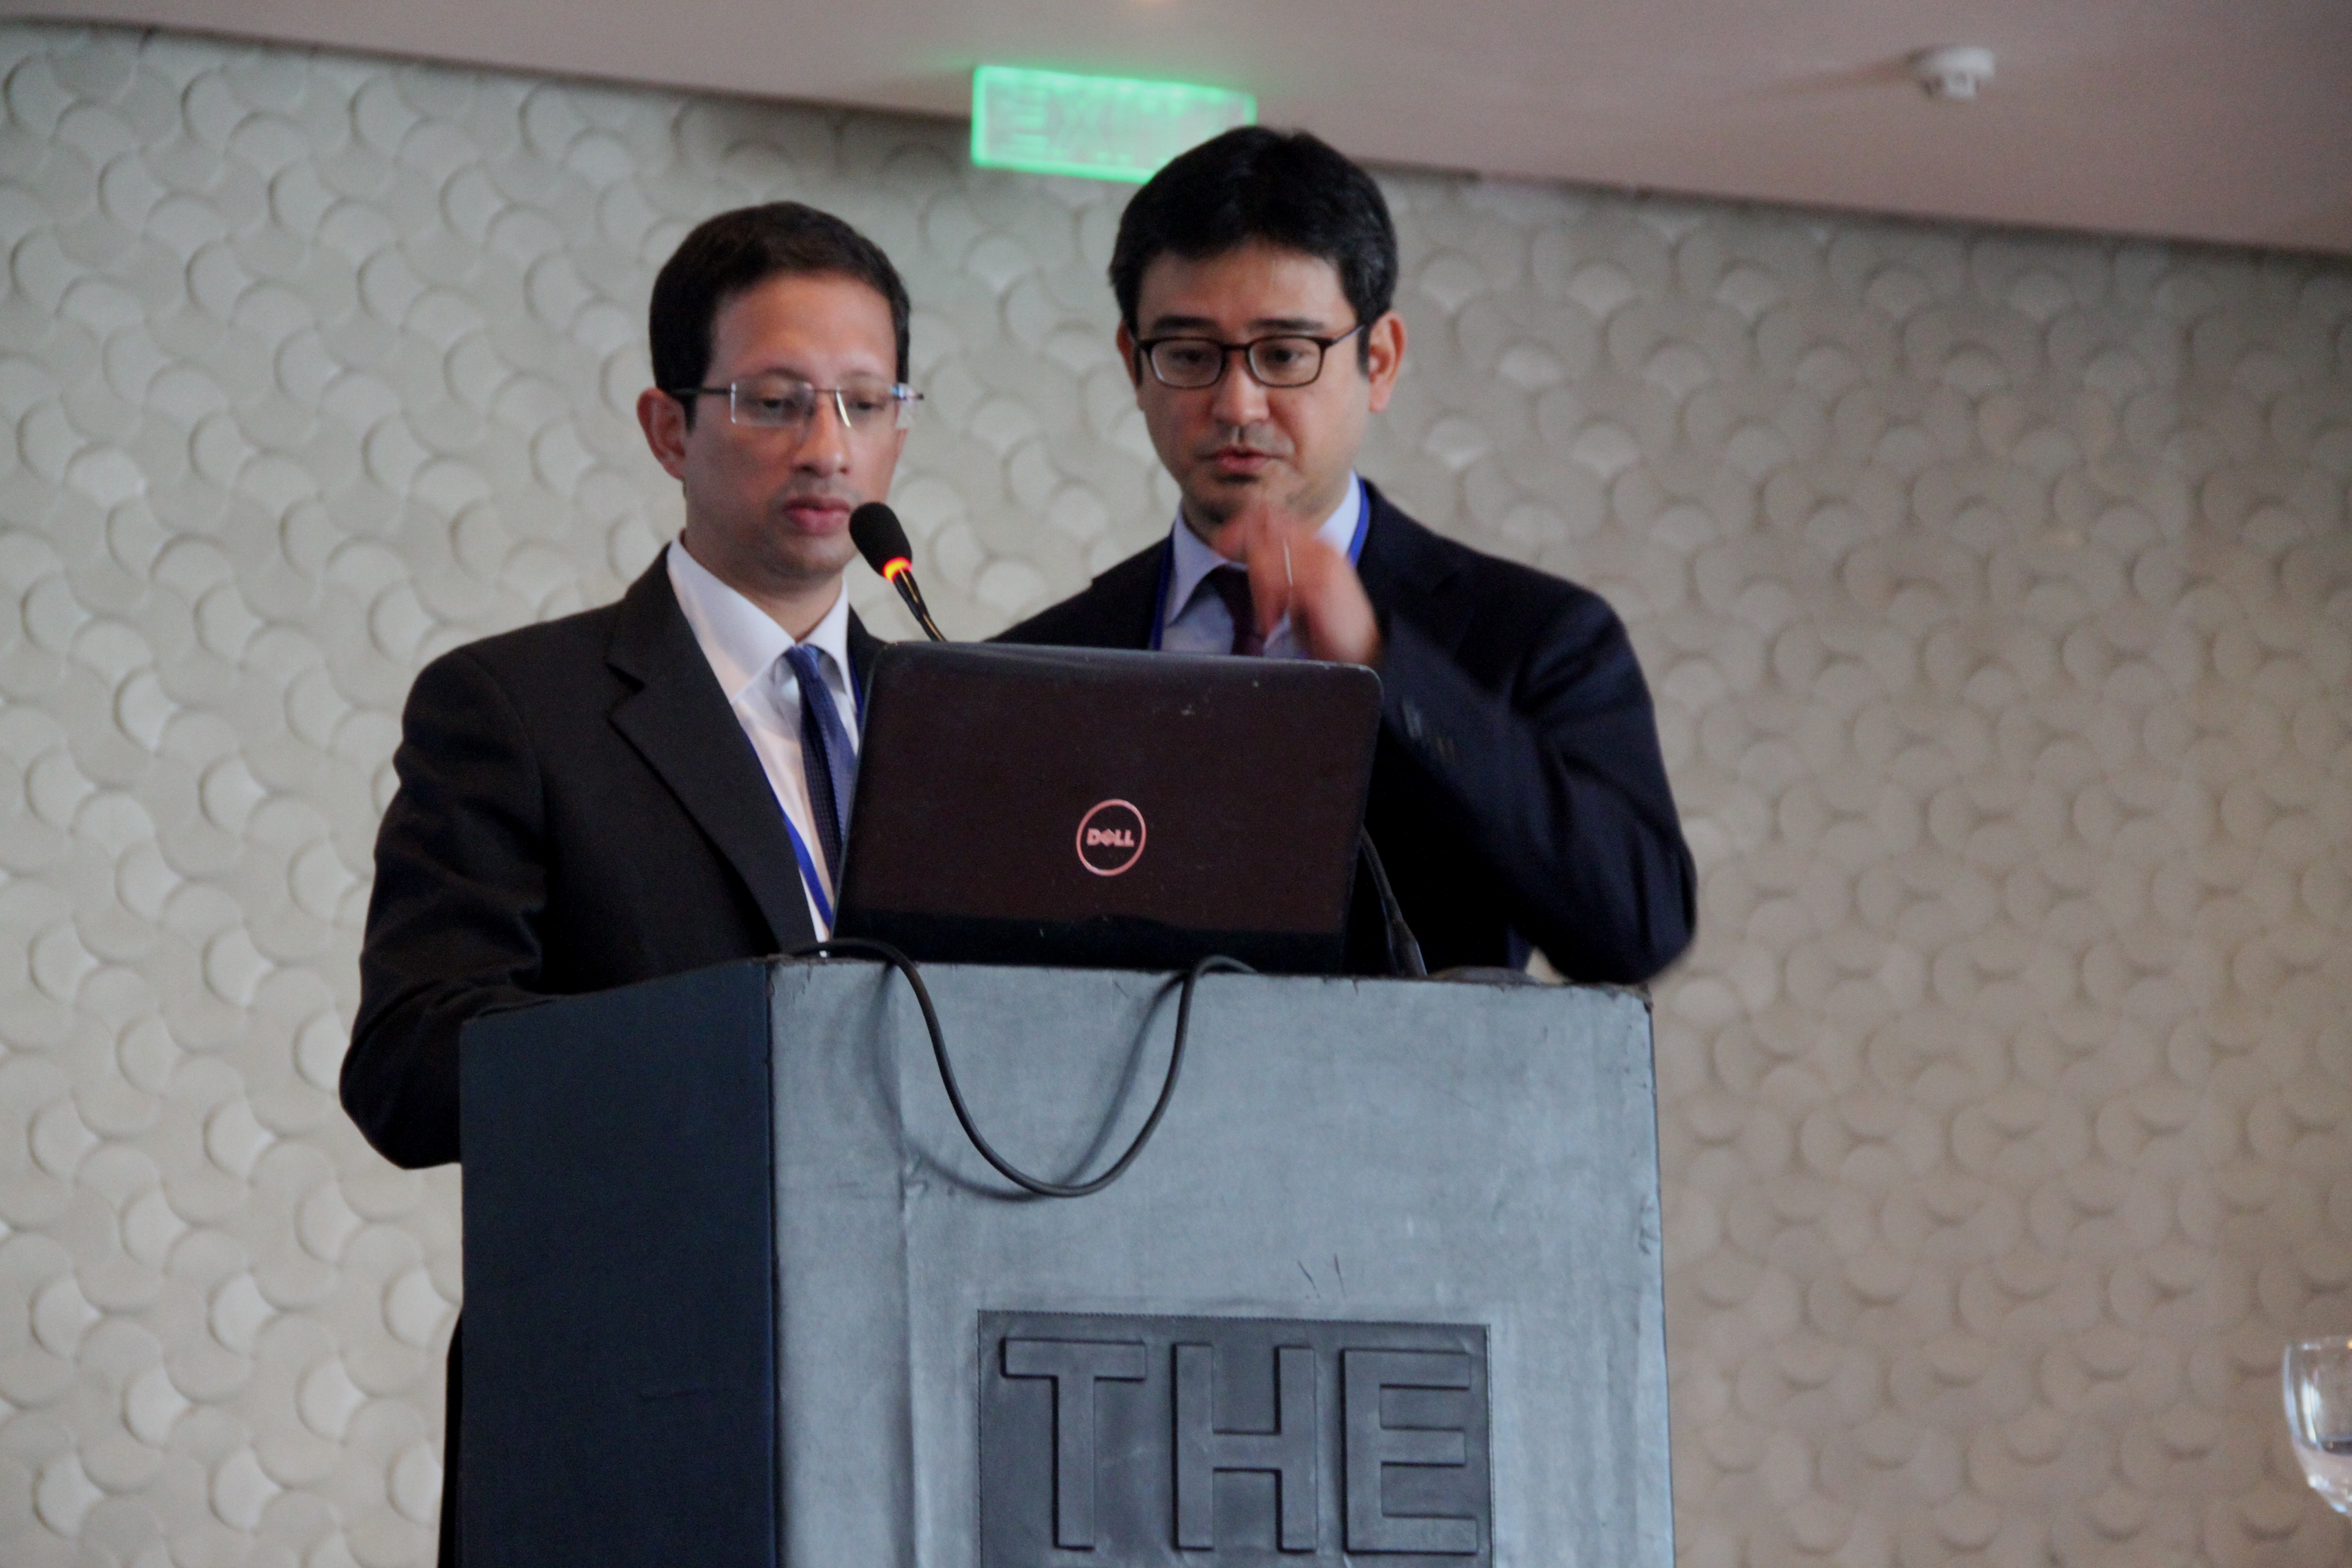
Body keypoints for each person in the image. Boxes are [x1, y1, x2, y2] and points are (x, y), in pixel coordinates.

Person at [340, 201, 921, 1563]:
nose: (829, 447)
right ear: (670, 429)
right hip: (628, 1405)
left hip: (917, 1398)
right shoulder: (516, 707)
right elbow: (410, 1066)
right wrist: (728, 1046)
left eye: (864, 402)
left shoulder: (958, 721)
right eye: (776, 401)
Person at [1000, 127, 1695, 981]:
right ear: (1132, 365)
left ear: (1381, 361)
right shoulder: (1033, 668)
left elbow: (1638, 927)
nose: (1237, 403)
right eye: (1187, 356)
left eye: (1286, 354)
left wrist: (1381, 665)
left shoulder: (1536, 637)